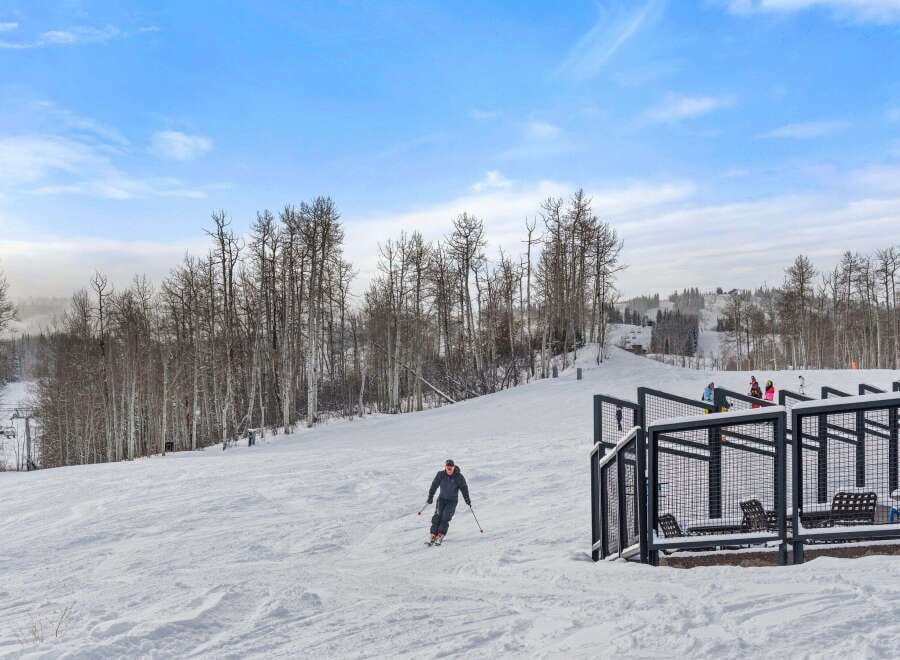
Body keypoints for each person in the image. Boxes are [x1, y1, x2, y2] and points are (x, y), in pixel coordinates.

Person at [426, 459, 471, 545]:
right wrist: (430, 496)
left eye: (451, 468)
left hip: (452, 501)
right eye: (448, 468)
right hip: (441, 499)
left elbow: (464, 488)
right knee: (437, 515)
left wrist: (467, 499)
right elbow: (434, 485)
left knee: (445, 516)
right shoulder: (440, 475)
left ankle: (440, 534)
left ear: (453, 467)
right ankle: (433, 534)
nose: (449, 469)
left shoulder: (459, 477)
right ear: (445, 467)